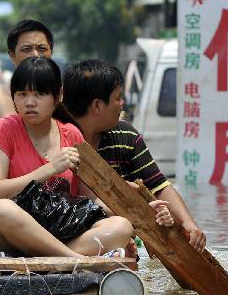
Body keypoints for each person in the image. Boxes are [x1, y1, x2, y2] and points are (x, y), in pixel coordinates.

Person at [0, 57, 153, 257]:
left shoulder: (72, 134)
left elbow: (90, 200)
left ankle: (58, 255)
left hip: (59, 233)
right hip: (6, 235)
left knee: (120, 226)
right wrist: (50, 169)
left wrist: (136, 208)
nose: (30, 102)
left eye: (40, 94)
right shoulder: (1, 129)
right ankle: (75, 258)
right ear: (13, 97)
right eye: (22, 94)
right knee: (2, 209)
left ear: (58, 95)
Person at [62, 59, 207, 252]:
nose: (122, 104)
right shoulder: (56, 139)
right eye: (117, 98)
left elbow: (157, 185)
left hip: (113, 235)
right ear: (97, 106)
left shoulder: (126, 135)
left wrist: (189, 225)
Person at [0, 19, 55, 117]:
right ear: (12, 55)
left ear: (51, 52)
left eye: (42, 48)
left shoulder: (65, 96)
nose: (35, 55)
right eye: (26, 49)